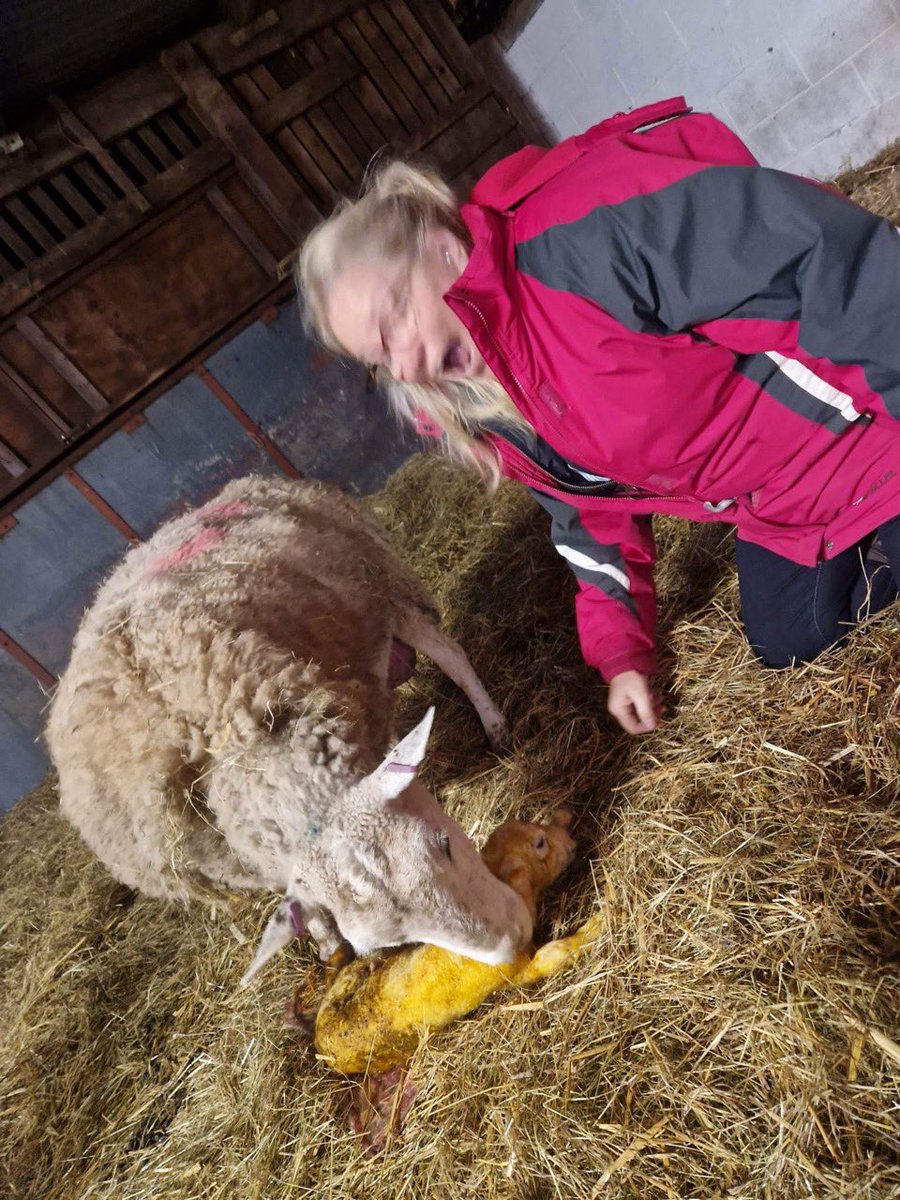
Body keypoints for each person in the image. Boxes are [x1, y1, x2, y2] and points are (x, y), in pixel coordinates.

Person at [296, 96, 900, 736]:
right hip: (779, 497)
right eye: (382, 358)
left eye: (395, 318)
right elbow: (589, 512)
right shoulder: (495, 405)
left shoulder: (583, 237)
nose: (407, 364)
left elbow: (825, 260)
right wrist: (621, 653)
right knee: (785, 635)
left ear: (441, 248)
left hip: (860, 425)